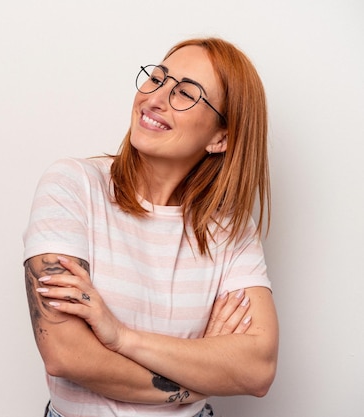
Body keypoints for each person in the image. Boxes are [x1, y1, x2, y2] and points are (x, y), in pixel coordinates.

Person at [23, 37, 279, 417]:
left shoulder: (229, 229)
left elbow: (256, 370)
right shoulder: (72, 185)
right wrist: (202, 376)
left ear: (221, 136)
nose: (155, 99)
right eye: (157, 78)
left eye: (186, 94)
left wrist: (120, 336)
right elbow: (67, 355)